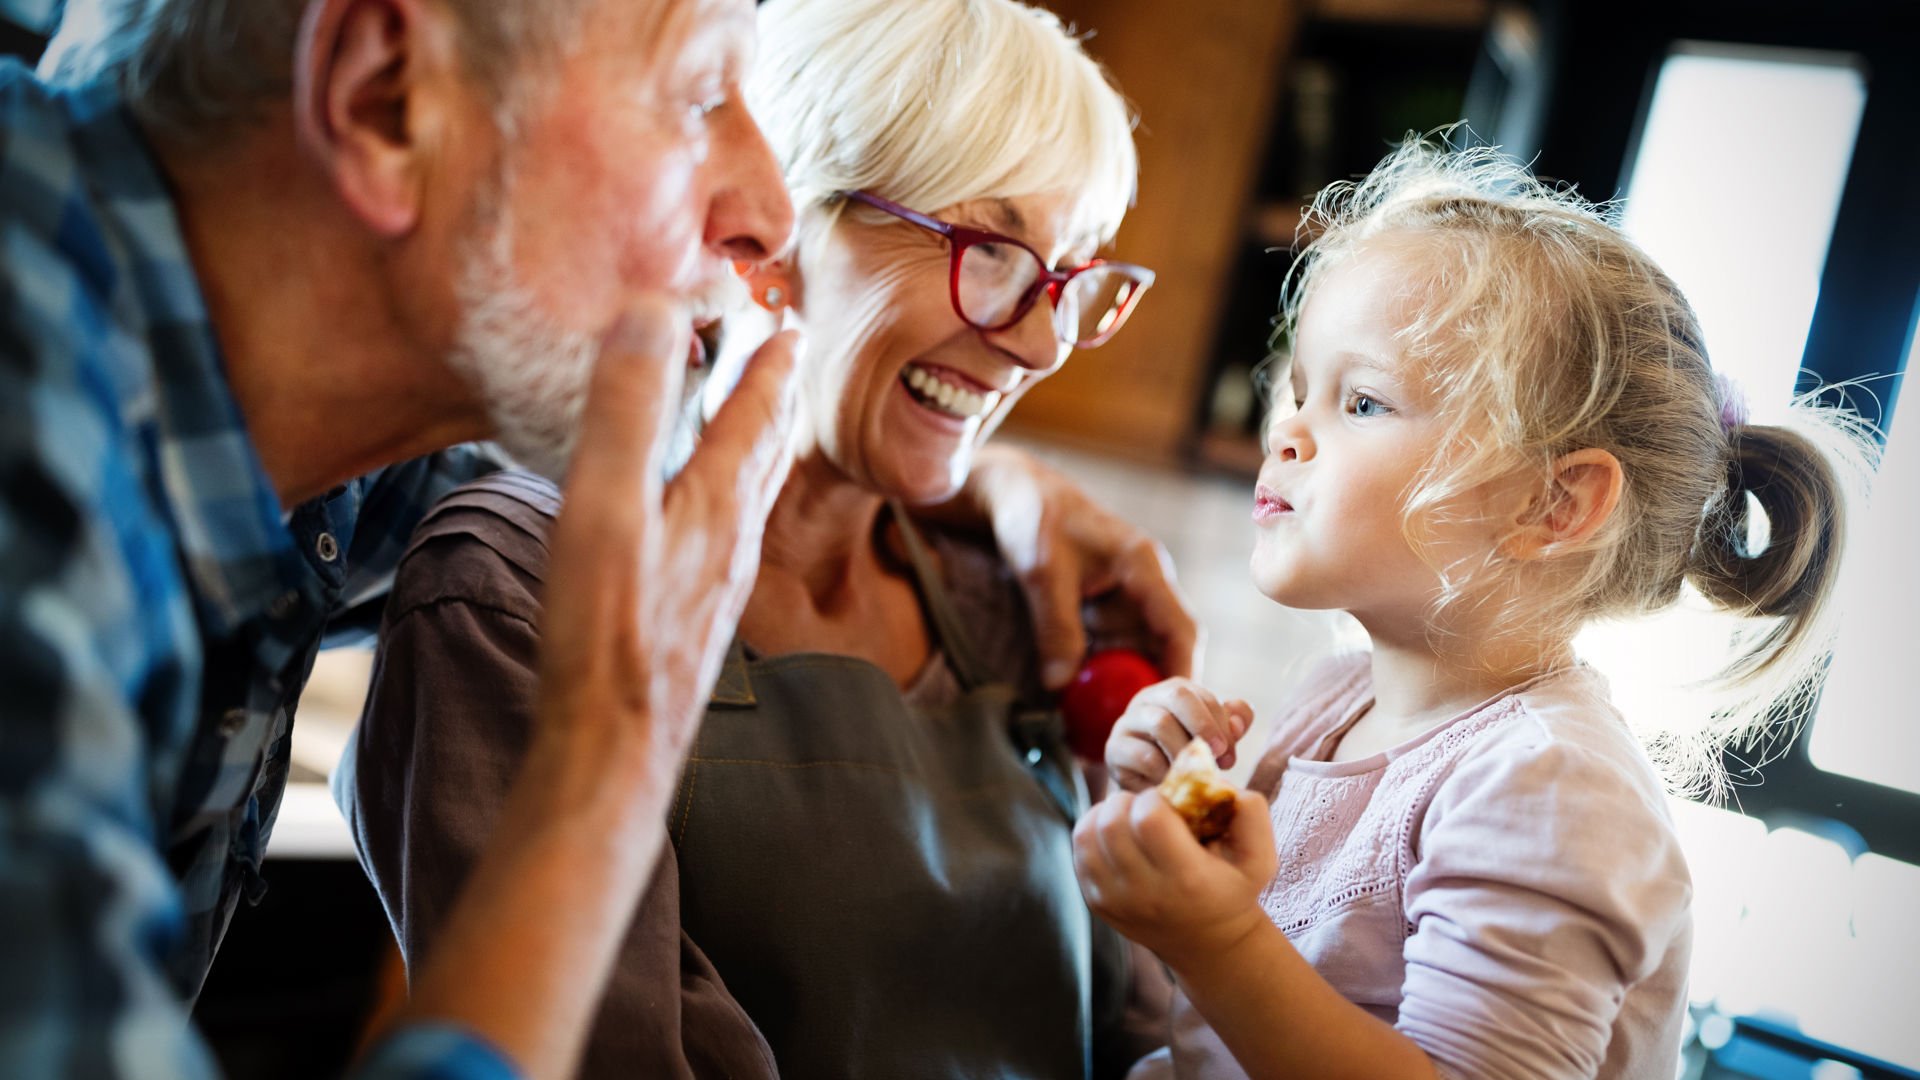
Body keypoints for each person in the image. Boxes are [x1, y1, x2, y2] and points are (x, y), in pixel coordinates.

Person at [0, 0, 1194, 1076]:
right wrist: (603, 764)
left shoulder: (319, 478)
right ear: (383, 100)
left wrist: (985, 478)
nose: (765, 214)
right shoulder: (34, 482)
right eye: (694, 94)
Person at [1073, 138, 1877, 1079]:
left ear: (1554, 506)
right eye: (1299, 392)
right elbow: (1216, 1028)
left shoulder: (1550, 787)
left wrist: (1216, 937)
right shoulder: (1336, 703)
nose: (1286, 430)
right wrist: (1159, 831)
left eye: (1362, 402)